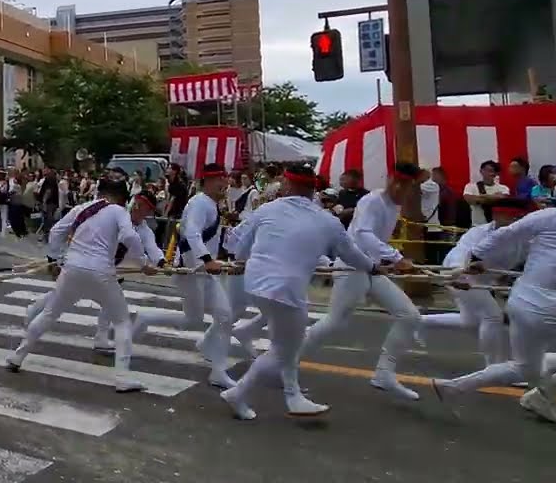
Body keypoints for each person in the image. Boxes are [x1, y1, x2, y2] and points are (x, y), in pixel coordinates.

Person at [431, 175, 556, 460]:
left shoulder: (553, 216)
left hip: (520, 301)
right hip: (551, 310)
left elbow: (507, 234)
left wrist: (477, 259)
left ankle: (453, 387)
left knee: (523, 367)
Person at [219, 164, 380, 420]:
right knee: (285, 349)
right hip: (285, 289)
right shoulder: (328, 220)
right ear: (313, 189)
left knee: (285, 341)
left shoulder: (267, 209)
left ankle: (293, 395)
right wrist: (374, 267)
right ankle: (239, 393)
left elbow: (238, 248)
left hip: (255, 282)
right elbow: (351, 254)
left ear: (287, 184)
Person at [6, 178, 148, 392]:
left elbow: (56, 232)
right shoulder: (118, 211)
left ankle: (17, 356)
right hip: (101, 272)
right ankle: (122, 377)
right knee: (122, 321)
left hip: (72, 268)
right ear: (121, 197)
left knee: (49, 313)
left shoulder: (82, 208)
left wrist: (54, 259)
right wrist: (143, 263)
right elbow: (129, 236)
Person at [299, 161, 425, 401]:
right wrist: (396, 258)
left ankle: (384, 374)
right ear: (390, 179)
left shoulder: (394, 206)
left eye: (407, 185)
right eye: (398, 182)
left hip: (372, 269)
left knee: (410, 316)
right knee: (334, 323)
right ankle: (284, 362)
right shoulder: (372, 201)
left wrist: (389, 261)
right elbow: (362, 234)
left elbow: (375, 240)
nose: (401, 188)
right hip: (351, 266)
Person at [132, 163, 239, 389]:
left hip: (202, 271)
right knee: (196, 320)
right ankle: (145, 318)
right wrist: (207, 260)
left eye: (225, 179)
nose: (225, 184)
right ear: (207, 181)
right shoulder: (200, 202)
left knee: (223, 316)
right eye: (220, 179)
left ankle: (218, 371)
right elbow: (191, 233)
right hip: (191, 271)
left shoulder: (211, 204)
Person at [31, 189, 165, 353]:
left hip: (110, 270)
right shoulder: (112, 214)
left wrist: (161, 262)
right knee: (61, 297)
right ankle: (34, 311)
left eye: (149, 210)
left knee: (109, 307)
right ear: (137, 204)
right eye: (145, 208)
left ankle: (101, 338)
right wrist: (58, 257)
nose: (146, 213)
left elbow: (152, 248)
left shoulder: (143, 230)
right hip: (88, 264)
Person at [419, 197, 532, 366]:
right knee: (492, 316)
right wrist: (458, 274)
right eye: (512, 216)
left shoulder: (523, 239)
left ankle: (419, 321)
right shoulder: (479, 233)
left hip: (482, 280)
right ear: (496, 215)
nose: (517, 220)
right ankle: (493, 367)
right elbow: (461, 252)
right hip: (458, 274)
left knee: (470, 322)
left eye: (520, 217)